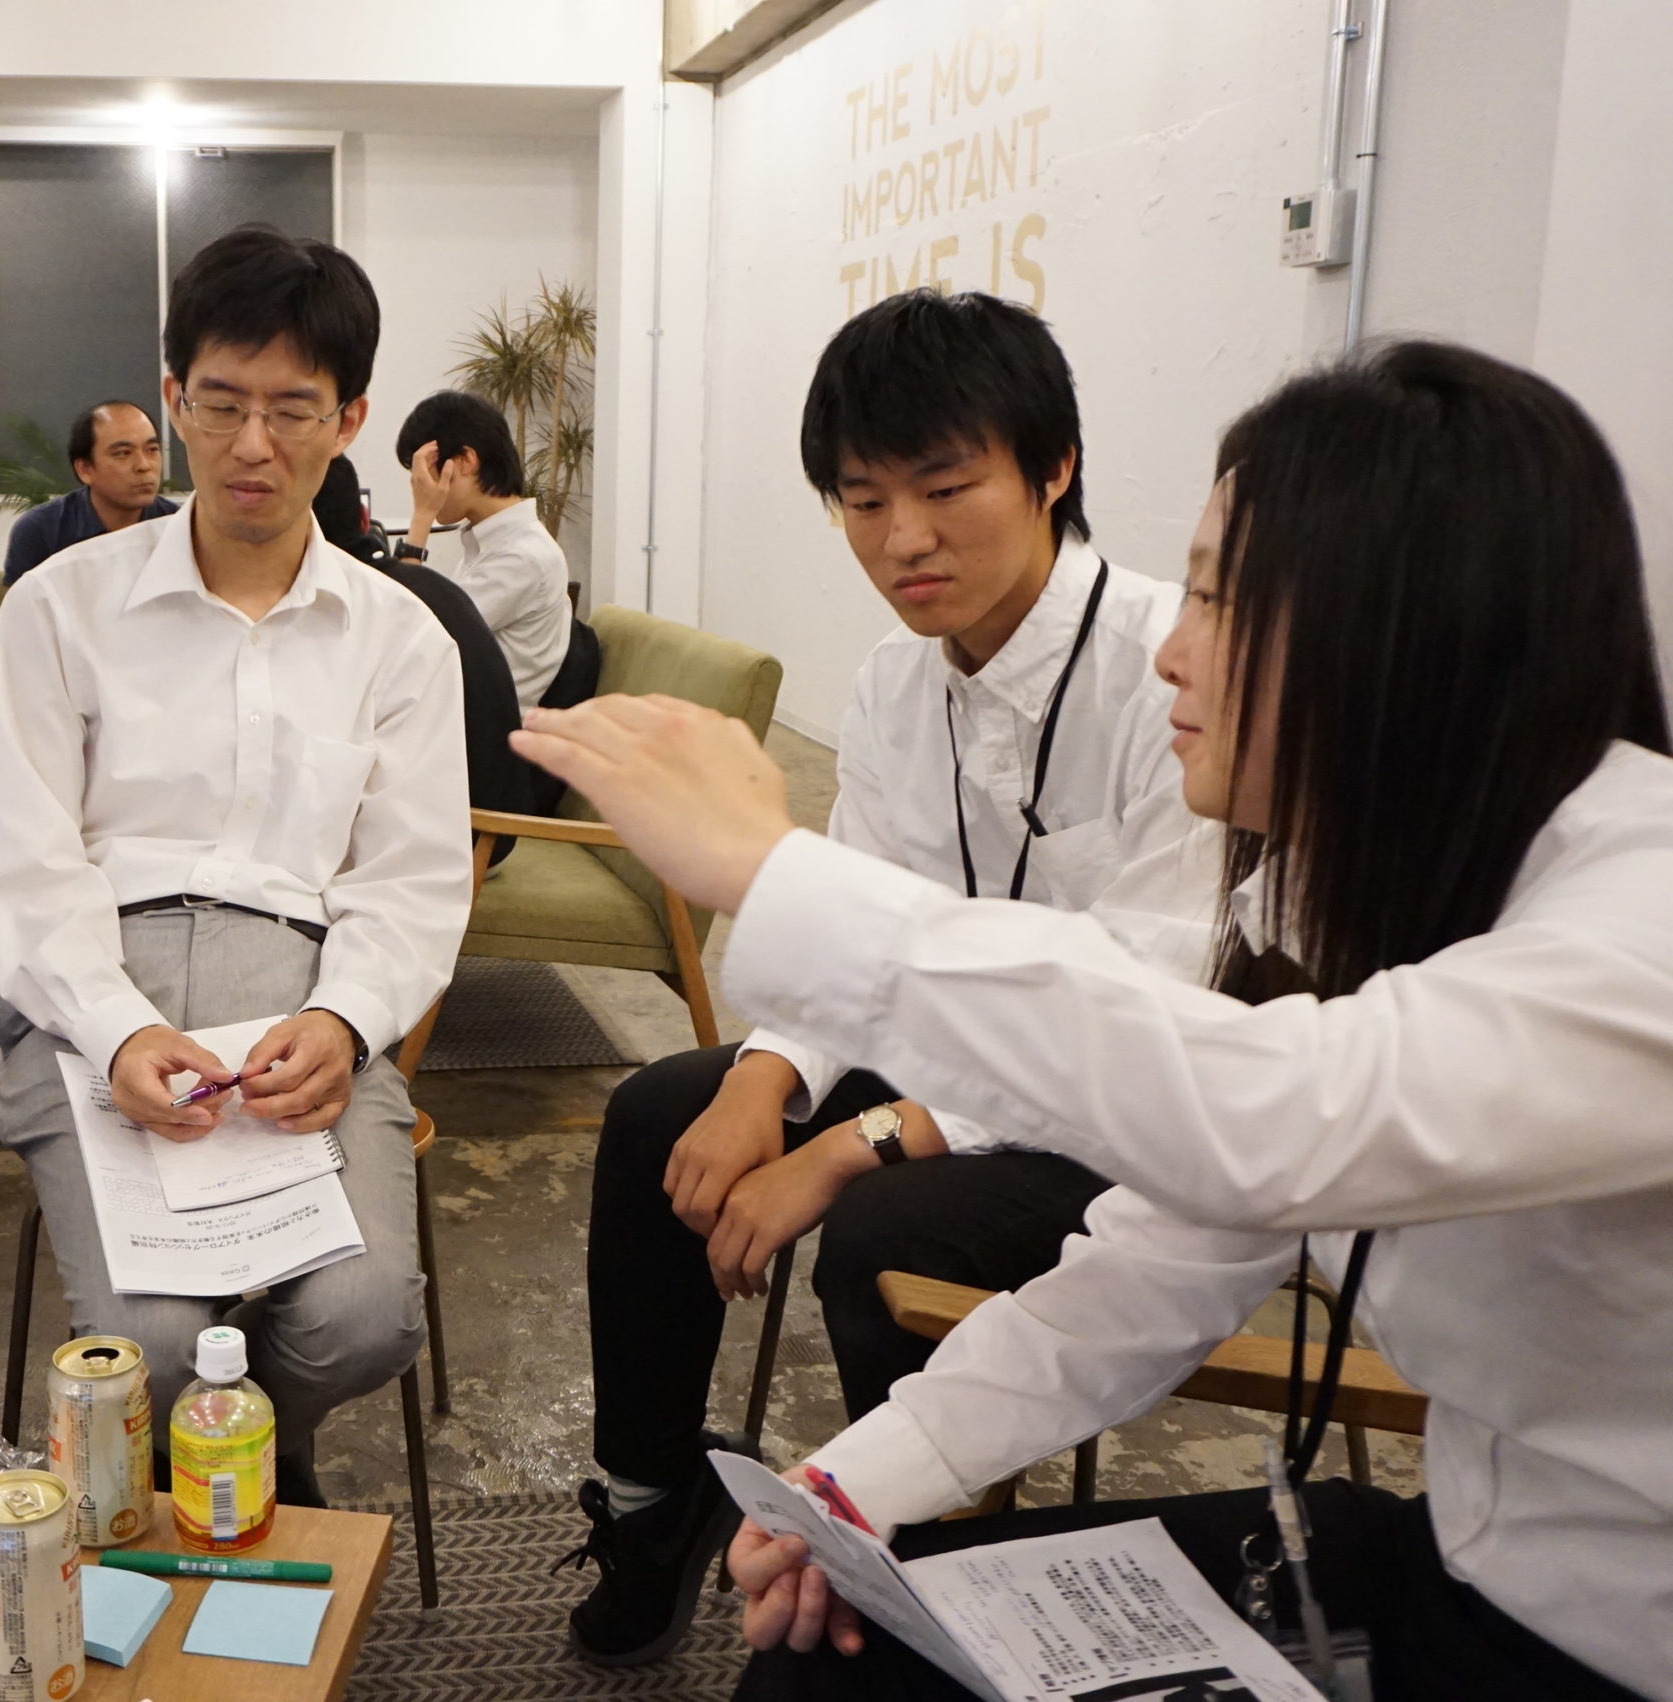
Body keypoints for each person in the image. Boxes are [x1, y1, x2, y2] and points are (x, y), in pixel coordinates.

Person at [519, 341, 1668, 1702]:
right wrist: (848, 1485)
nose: (1176, 649)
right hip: (1460, 1564)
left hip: (1597, 1644)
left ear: (1411, 633)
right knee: (835, 1644)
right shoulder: (1372, 874)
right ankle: (655, 1507)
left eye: (1221, 599)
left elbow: (1261, 1115)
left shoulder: (1635, 922)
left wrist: (774, 878)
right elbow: (1159, 1260)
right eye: (862, 500)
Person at [557, 289, 1212, 1668]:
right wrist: (762, 1078)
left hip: (1119, 1105)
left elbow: (1144, 1009)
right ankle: (652, 1501)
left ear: (1054, 468)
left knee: (882, 1227)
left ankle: (904, 1576)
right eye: (862, 501)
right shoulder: (895, 682)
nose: (903, 538)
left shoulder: (1173, 679)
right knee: (660, 1113)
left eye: (945, 488)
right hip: (941, 1058)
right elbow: (853, 923)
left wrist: (849, 1145)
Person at [0, 227, 471, 1505]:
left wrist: (346, 1019)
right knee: (143, 1348)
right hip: (95, 988)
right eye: (220, 404)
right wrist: (114, 1029)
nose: (253, 445)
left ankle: (246, 1439)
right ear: (173, 399)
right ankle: (218, 1445)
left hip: (302, 996)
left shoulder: (400, 638)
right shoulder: (58, 606)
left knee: (365, 1320)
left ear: (349, 418)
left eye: (293, 410)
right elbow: (29, 867)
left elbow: (413, 881)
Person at [314, 453, 537, 829]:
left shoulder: (357, 613)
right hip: (492, 805)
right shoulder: (430, 589)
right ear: (365, 520)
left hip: (469, 830)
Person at [394, 390, 573, 714]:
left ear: (464, 461)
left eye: (424, 471)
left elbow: (411, 637)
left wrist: (422, 516)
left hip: (481, 732)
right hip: (455, 716)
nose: (419, 485)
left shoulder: (523, 557)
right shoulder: (491, 543)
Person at [1, 400, 179, 585]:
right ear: (85, 469)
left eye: (152, 450)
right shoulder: (40, 530)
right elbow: (20, 603)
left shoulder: (178, 525)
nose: (144, 465)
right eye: (123, 453)